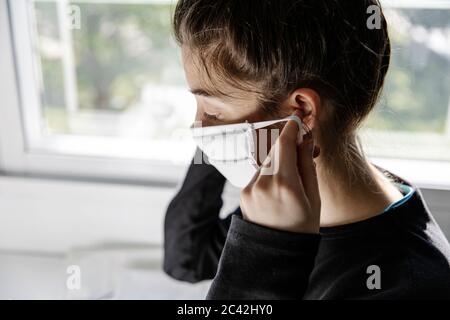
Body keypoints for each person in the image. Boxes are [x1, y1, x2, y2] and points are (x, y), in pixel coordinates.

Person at [163, 0, 450, 299]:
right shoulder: (284, 203)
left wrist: (266, 253)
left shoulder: (403, 285)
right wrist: (221, 133)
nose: (198, 127)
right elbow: (187, 258)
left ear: (301, 110)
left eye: (213, 109)